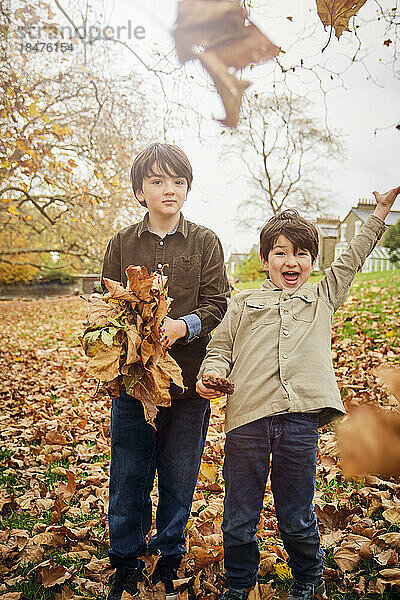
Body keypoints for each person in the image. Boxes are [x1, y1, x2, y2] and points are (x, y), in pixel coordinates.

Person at [196, 181, 400, 600]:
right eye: (280, 252)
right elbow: (220, 348)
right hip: (247, 421)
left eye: (300, 253)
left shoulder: (323, 296)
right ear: (265, 261)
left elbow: (352, 258)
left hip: (299, 422)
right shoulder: (242, 303)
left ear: (314, 261)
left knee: (295, 512)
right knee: (240, 514)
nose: (291, 261)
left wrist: (381, 211)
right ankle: (239, 583)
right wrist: (210, 375)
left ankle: (307, 578)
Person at [101, 143, 229, 600]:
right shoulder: (121, 243)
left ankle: (170, 551)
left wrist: (182, 326)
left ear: (188, 189)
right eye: (157, 181)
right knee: (129, 470)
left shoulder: (205, 241)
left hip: (188, 381)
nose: (168, 189)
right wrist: (132, 332)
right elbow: (109, 304)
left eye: (178, 181)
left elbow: (218, 303)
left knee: (179, 472)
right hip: (135, 381)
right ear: (140, 190)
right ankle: (125, 557)